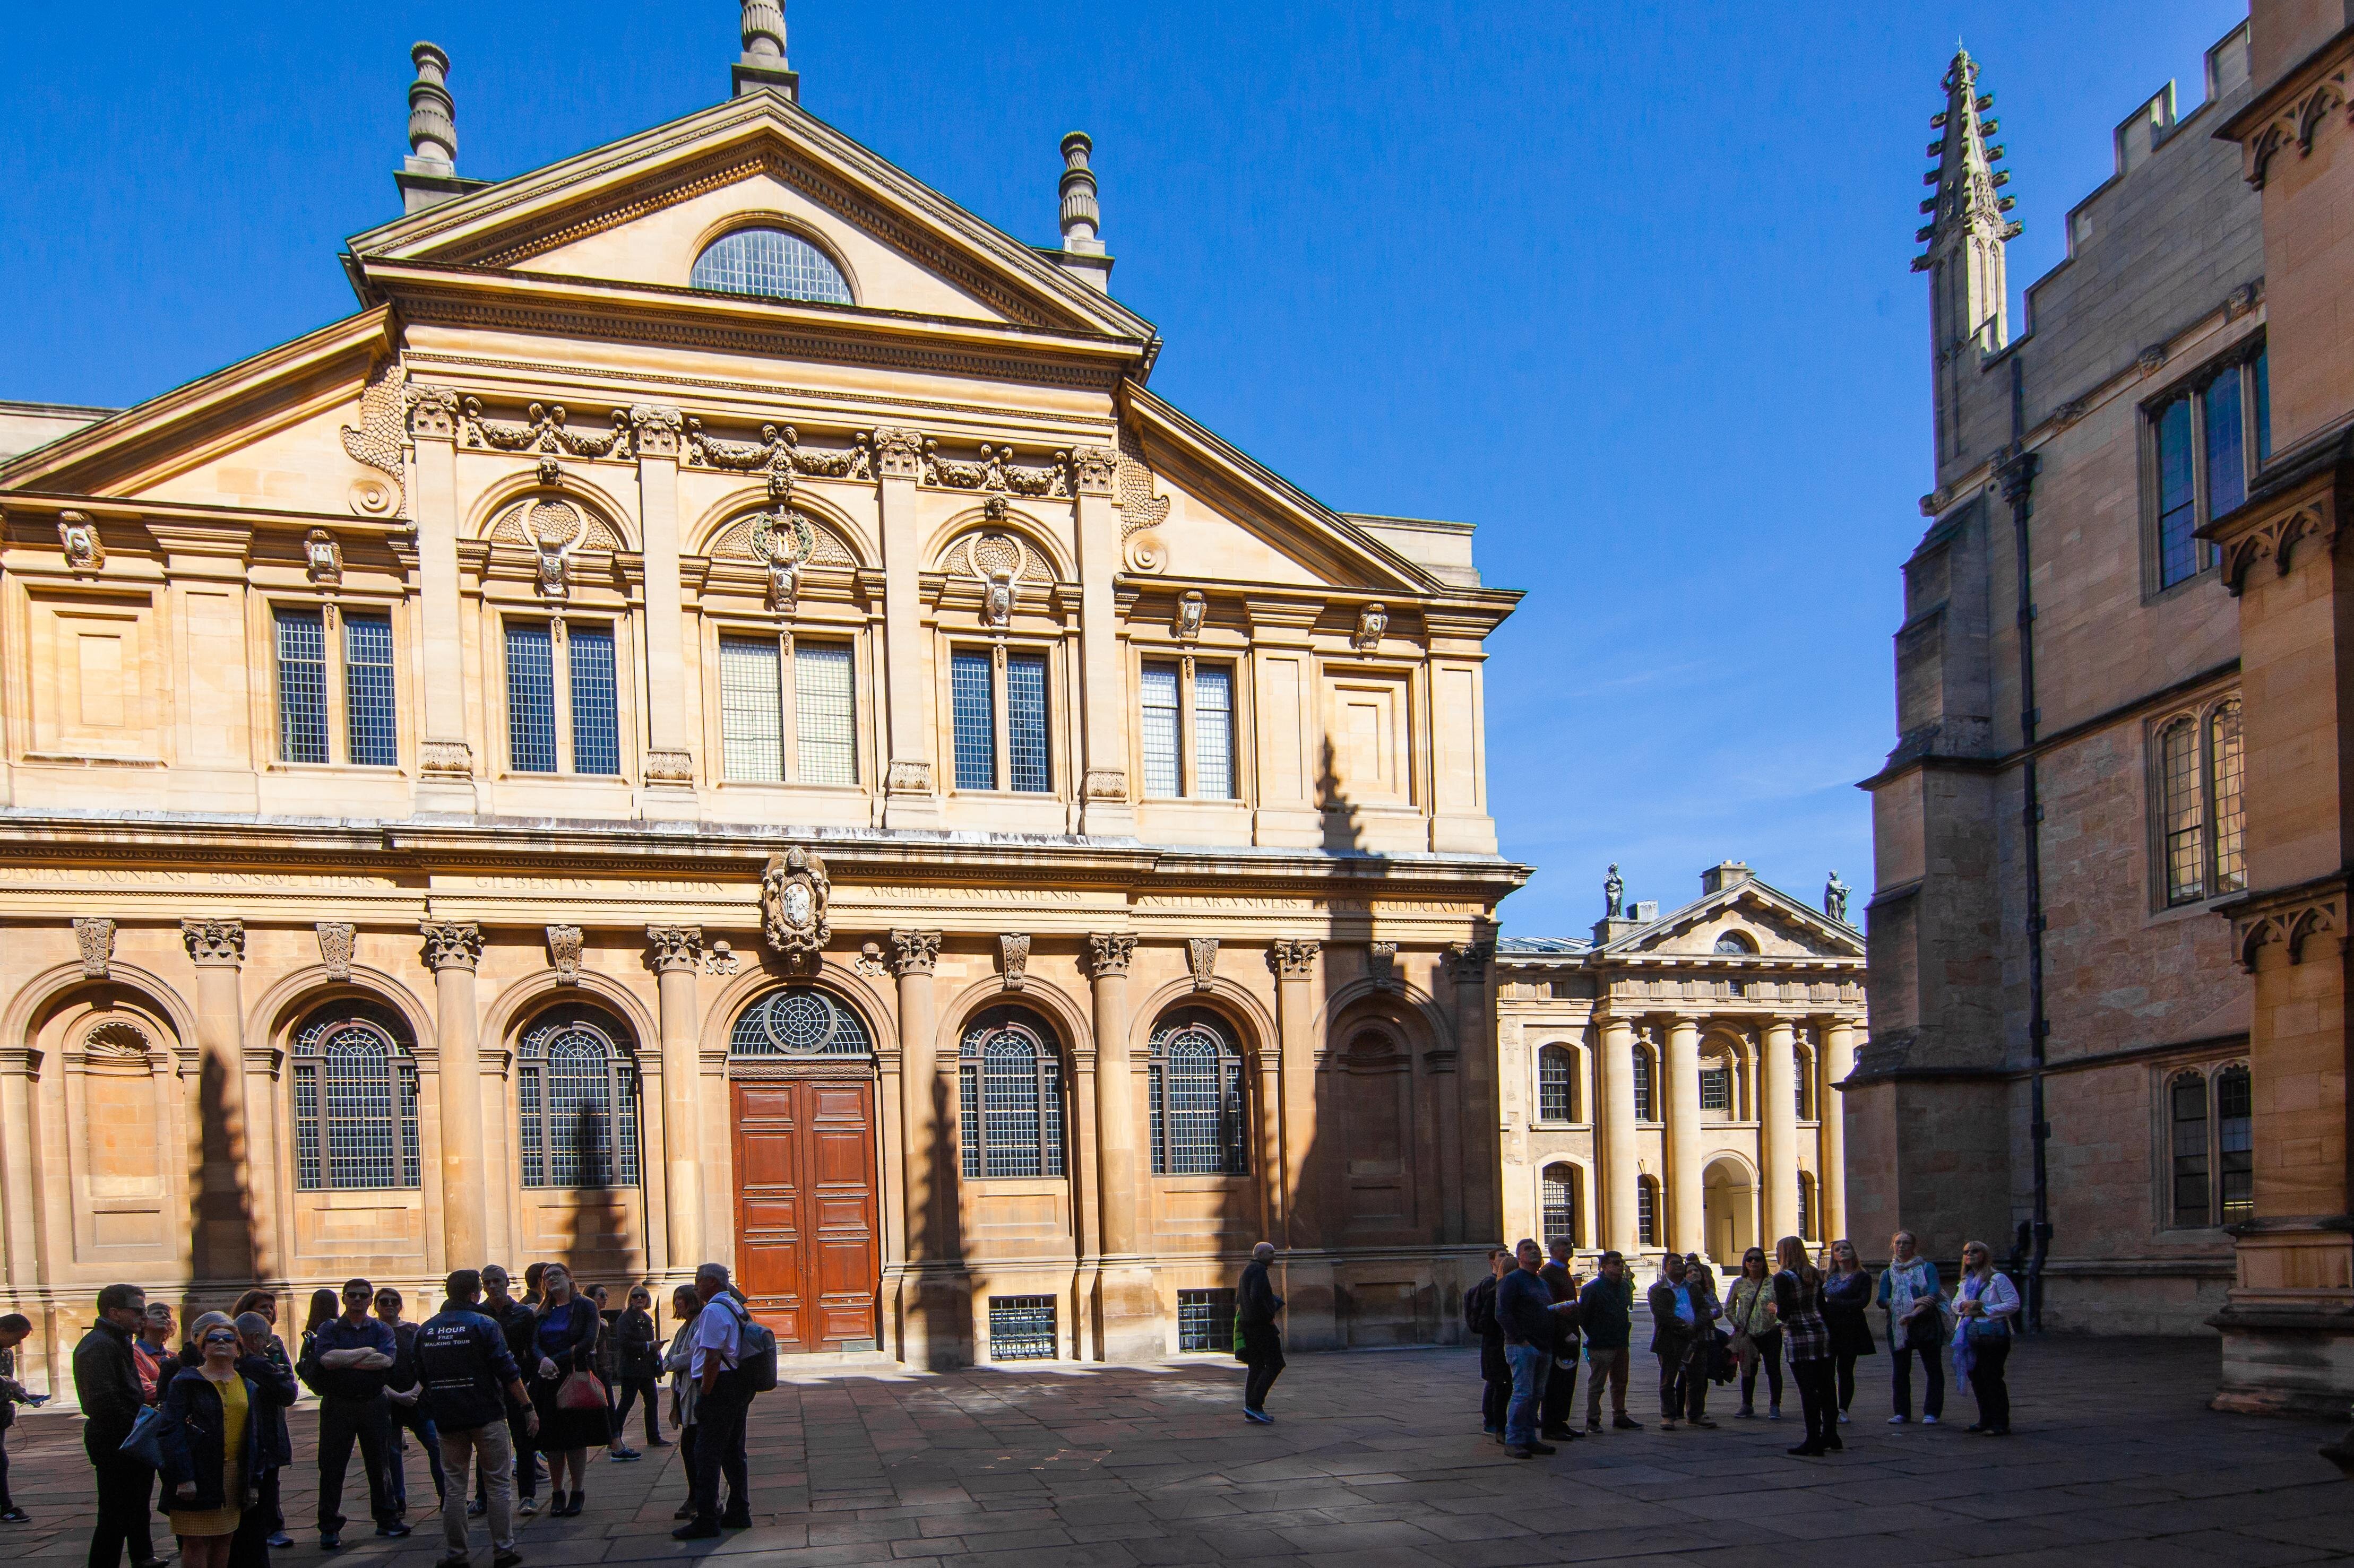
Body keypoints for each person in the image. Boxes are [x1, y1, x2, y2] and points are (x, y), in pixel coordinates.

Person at [418, 1269, 536, 1568]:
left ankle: (456, 1555)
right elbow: (507, 1370)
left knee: (454, 1487)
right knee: (498, 1485)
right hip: (486, 1413)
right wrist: (527, 1406)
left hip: (448, 1416)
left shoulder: (427, 1329)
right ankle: (504, 1551)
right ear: (475, 1294)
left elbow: (420, 1373)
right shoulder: (484, 1324)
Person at [155, 1317, 295, 1568]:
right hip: (197, 1472)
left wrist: (253, 1481)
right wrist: (183, 1477)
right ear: (202, 1348)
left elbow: (253, 1435)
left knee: (225, 1539)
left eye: (229, 1339)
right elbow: (171, 1431)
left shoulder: (248, 1385)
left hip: (233, 1474)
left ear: (238, 1349)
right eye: (213, 1339)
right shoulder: (186, 1382)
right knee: (195, 1541)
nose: (221, 1342)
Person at [298, 1277, 408, 1549]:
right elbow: (327, 1359)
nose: (357, 1299)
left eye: (363, 1295)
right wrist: (365, 1352)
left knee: (380, 1463)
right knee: (332, 1466)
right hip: (338, 1405)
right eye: (352, 1295)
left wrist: (346, 1359)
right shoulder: (330, 1327)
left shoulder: (382, 1329)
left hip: (374, 1403)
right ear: (344, 1299)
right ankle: (329, 1527)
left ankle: (387, 1518)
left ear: (370, 1300)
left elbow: (387, 1360)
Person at [76, 1282, 167, 1568]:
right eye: (137, 1311)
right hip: (116, 1439)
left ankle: (143, 1555)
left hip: (128, 1435)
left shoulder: (117, 1340)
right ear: (114, 1312)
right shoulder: (99, 1345)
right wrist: (136, 1426)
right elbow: (103, 1402)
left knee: (137, 1505)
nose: (144, 1316)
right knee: (114, 1515)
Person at [671, 1264, 753, 1541]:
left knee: (705, 1454)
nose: (695, 1286)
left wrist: (705, 1394)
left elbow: (712, 1358)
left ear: (712, 1282)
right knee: (733, 1451)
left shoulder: (714, 1311)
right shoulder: (733, 1305)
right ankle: (739, 1511)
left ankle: (707, 1519)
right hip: (735, 1387)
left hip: (719, 1389)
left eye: (698, 1281)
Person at [524, 1264, 602, 1519]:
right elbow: (533, 1343)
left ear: (569, 1277)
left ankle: (577, 1491)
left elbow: (588, 1341)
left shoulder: (586, 1306)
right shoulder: (542, 1310)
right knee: (552, 1441)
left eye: (556, 1274)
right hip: (546, 1381)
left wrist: (553, 1360)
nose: (552, 1279)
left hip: (573, 1376)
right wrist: (542, 1360)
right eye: (547, 1277)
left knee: (575, 1439)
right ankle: (557, 1492)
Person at [1497, 1239, 1576, 1458]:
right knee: (1523, 1394)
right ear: (1519, 1257)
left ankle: (1530, 1438)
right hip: (1522, 1347)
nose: (1534, 1252)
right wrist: (1521, 1340)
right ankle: (1514, 1440)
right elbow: (1502, 1313)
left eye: (1536, 1249)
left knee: (1536, 1395)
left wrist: (1560, 1312)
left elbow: (1545, 1311)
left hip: (1544, 1346)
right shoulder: (1512, 1280)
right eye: (1528, 1249)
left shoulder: (1541, 1283)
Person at [228, 1294, 292, 1548]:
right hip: (260, 1429)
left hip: (263, 1425)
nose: (269, 1311)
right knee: (263, 1481)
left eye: (271, 1307)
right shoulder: (253, 1360)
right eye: (262, 1307)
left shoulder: (271, 1346)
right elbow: (288, 1391)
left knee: (265, 1480)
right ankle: (268, 1529)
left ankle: (265, 1528)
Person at [374, 1288, 445, 1513]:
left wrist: (415, 1392)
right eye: (384, 1301)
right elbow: (372, 1373)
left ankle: (447, 1496)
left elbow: (426, 1364)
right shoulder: (373, 1332)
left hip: (418, 1401)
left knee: (436, 1446)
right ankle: (398, 1501)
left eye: (394, 1301)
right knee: (392, 1453)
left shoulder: (414, 1330)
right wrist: (397, 1396)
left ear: (401, 1306)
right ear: (376, 1306)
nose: (389, 1305)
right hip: (388, 1401)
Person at [477, 1268, 539, 1518]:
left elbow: (532, 1349)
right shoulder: (478, 1314)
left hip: (517, 1384)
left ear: (506, 1283)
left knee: (524, 1442)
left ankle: (528, 1496)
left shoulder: (523, 1313)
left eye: (497, 1281)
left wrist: (530, 1381)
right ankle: (482, 1498)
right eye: (487, 1282)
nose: (492, 1286)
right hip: (488, 1388)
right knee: (485, 1444)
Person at [1773, 1235, 1839, 1457]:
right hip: (1820, 1332)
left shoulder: (1783, 1277)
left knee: (1807, 1389)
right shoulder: (1815, 1273)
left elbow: (1785, 1312)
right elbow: (1822, 1307)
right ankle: (1830, 1433)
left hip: (1798, 1335)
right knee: (1827, 1386)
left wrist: (1775, 1311)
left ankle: (1813, 1439)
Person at [1952, 1240, 2020, 1435]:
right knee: (1977, 1377)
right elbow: (1956, 1303)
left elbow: (2013, 1303)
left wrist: (1985, 1309)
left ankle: (2000, 1422)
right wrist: (1963, 1306)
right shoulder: (1966, 1281)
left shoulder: (1997, 1279)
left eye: (1975, 1251)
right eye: (1966, 1252)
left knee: (1992, 1377)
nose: (1970, 1255)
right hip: (1970, 1335)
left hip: (1993, 1334)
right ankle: (1985, 1419)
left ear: (1985, 1255)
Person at [1878, 1231, 1945, 1425]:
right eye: (1898, 1243)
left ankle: (1932, 1412)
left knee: (1933, 1368)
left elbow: (1933, 1294)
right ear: (1893, 1246)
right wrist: (1913, 1302)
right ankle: (1901, 1412)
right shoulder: (1888, 1273)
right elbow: (1882, 1300)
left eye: (1906, 1243)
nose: (1901, 1246)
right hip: (1899, 1325)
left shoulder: (1927, 1268)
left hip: (1926, 1322)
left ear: (1914, 1246)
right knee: (1900, 1370)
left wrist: (1908, 1308)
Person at [1645, 1253, 1719, 1431]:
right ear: (1665, 1267)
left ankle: (1695, 1415)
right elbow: (1662, 1314)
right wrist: (1683, 1326)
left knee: (1697, 1379)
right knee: (1668, 1379)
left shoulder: (1693, 1288)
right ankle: (1668, 1416)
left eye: (1681, 1263)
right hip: (1669, 1339)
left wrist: (1695, 1325)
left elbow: (1703, 1309)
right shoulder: (1657, 1290)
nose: (1679, 1266)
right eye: (1674, 1263)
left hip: (1694, 1338)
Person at [1576, 1251, 1637, 1432]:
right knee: (1597, 1383)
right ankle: (1593, 1419)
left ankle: (1620, 1415)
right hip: (1601, 1342)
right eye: (1615, 1263)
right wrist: (1595, 1334)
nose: (1620, 1266)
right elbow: (1583, 1317)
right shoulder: (1592, 1289)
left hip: (1621, 1341)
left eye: (1621, 1262)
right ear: (1604, 1267)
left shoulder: (1625, 1286)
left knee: (1621, 1381)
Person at [1820, 1240, 1876, 1424]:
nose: (1842, 1251)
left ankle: (1843, 1408)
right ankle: (1829, 1407)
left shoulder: (1862, 1277)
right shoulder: (1828, 1276)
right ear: (1834, 1255)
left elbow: (1862, 1302)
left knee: (1845, 1370)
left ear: (1853, 1252)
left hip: (1851, 1328)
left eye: (1846, 1248)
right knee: (1827, 1370)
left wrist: (1834, 1303)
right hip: (1829, 1327)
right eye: (1838, 1249)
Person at [661, 1287, 704, 1522]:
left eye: (682, 1300)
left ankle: (700, 1498)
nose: (678, 1304)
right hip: (682, 1391)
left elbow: (690, 1357)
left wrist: (674, 1361)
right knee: (689, 1447)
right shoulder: (683, 1328)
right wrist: (675, 1361)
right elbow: (668, 1360)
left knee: (692, 1447)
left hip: (695, 1392)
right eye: (676, 1300)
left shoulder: (699, 1324)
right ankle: (695, 1496)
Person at [1725, 1247, 1782, 1420]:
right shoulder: (1739, 1283)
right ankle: (1747, 1404)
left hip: (1770, 1332)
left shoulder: (1773, 1282)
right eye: (1749, 1259)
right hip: (1748, 1333)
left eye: (1758, 1259)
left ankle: (1775, 1405)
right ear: (1745, 1263)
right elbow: (1729, 1308)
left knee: (1773, 1369)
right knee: (1748, 1370)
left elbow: (1784, 1306)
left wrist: (1778, 1322)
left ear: (1764, 1262)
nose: (1754, 1262)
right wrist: (1737, 1324)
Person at [1536, 1240, 1582, 1442]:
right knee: (1556, 1382)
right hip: (1560, 1337)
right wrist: (1565, 1332)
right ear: (1553, 1251)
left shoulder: (1563, 1271)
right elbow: (1552, 1307)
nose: (1569, 1248)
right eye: (1564, 1245)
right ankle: (1551, 1426)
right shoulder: (1549, 1273)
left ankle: (1561, 1421)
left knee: (1567, 1381)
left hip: (1570, 1334)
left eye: (1570, 1245)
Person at [609, 1288, 664, 1456]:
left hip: (646, 1368)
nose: (639, 1298)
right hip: (631, 1369)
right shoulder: (625, 1319)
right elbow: (624, 1343)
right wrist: (648, 1346)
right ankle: (614, 1439)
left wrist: (654, 1347)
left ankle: (654, 1437)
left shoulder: (646, 1317)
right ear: (631, 1299)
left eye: (643, 1296)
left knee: (652, 1401)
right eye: (636, 1296)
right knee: (627, 1402)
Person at [1236, 1243, 1285, 1424]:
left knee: (1256, 1366)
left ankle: (1251, 1411)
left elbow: (1243, 1298)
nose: (1274, 1256)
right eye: (1271, 1253)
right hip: (1261, 1327)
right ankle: (1255, 1405)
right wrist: (1269, 1315)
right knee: (1275, 1364)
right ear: (1261, 1254)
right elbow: (1256, 1296)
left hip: (1250, 1325)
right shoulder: (1258, 1270)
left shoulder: (1249, 1269)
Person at [1463, 1249, 1510, 1440]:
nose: (1506, 1258)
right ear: (1492, 1261)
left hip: (1497, 1341)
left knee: (1498, 1381)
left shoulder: (1503, 1283)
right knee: (1496, 1381)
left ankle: (1495, 1421)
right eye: (1502, 1255)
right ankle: (1491, 1421)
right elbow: (1486, 1318)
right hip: (1495, 1341)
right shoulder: (1491, 1284)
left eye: (1508, 1255)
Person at [0, 1312, 38, 1523]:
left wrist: (23, 1395)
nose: (18, 1343)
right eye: (17, 1338)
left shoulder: (6, 1354)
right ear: (3, 1331)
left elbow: (9, 1382)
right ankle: (6, 1507)